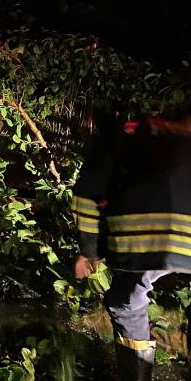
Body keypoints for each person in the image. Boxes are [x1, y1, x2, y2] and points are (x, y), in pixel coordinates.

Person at [72, 114, 191, 381]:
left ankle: (137, 375)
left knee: (127, 304)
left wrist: (90, 251)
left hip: (142, 237)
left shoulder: (119, 140)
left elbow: (85, 198)